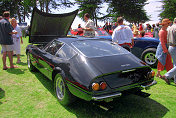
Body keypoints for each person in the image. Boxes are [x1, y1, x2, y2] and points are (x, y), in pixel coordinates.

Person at [162, 18, 176, 84]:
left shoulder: (170, 28)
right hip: (174, 46)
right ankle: (167, 76)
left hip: (170, 47)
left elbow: (167, 39)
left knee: (175, 64)